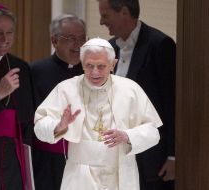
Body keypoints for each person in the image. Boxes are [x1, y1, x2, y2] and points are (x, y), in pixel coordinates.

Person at [34, 37, 163, 190]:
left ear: (112, 64)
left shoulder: (130, 90)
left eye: (101, 66)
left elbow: (153, 132)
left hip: (120, 172)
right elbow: (40, 126)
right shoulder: (66, 89)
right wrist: (58, 126)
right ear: (82, 64)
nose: (95, 72)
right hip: (79, 175)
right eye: (89, 66)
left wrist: (127, 136)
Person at [97, 0, 176, 190]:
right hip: (114, 156)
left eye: (105, 15)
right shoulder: (108, 48)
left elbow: (173, 104)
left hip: (151, 159)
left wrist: (174, 156)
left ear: (124, 12)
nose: (101, 21)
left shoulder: (160, 45)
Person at [0, 4, 35, 190]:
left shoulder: (21, 67)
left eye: (9, 33)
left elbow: (28, 119)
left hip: (11, 156)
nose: (5, 39)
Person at [30, 14, 86, 190]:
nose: (78, 44)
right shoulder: (34, 71)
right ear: (54, 41)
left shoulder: (93, 72)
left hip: (83, 157)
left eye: (82, 38)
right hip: (46, 159)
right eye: (71, 39)